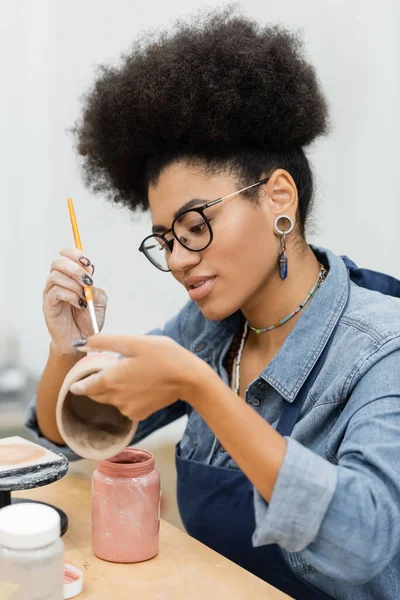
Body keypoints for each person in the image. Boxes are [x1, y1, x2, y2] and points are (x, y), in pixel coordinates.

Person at [26, 10, 400, 600]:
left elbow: (364, 541)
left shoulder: (383, 347)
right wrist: (66, 346)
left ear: (280, 196)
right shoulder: (211, 331)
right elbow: (69, 436)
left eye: (196, 224)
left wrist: (202, 389)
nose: (177, 259)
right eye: (166, 239)